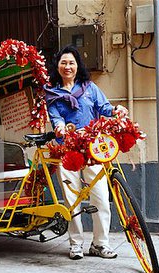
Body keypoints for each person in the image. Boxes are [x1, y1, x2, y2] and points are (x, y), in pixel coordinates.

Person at [44, 45, 119, 260]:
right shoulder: (52, 93)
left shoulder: (89, 88)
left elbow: (105, 108)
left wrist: (116, 110)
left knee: (101, 197)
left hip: (93, 149)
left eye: (71, 63)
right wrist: (59, 127)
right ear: (57, 66)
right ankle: (76, 244)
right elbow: (56, 117)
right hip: (66, 150)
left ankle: (100, 244)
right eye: (63, 63)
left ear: (78, 66)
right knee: (72, 198)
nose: (67, 67)